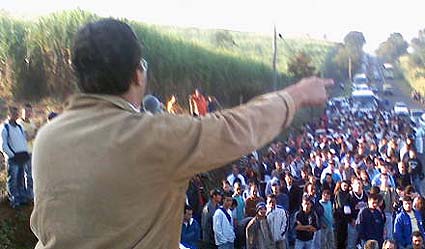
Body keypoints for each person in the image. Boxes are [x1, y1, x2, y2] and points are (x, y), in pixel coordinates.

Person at [30, 18, 332, 249]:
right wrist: (297, 94)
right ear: (138, 73)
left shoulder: (47, 138)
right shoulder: (152, 137)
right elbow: (236, 127)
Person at [0, 106, 31, 208]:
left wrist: (25, 151)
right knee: (13, 180)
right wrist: (12, 155)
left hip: (23, 156)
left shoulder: (19, 127)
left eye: (16, 113)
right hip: (13, 159)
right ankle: (14, 200)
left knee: (21, 179)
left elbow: (23, 141)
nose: (16, 115)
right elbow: (3, 146)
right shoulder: (5, 128)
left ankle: (22, 198)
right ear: (9, 115)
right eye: (13, 113)